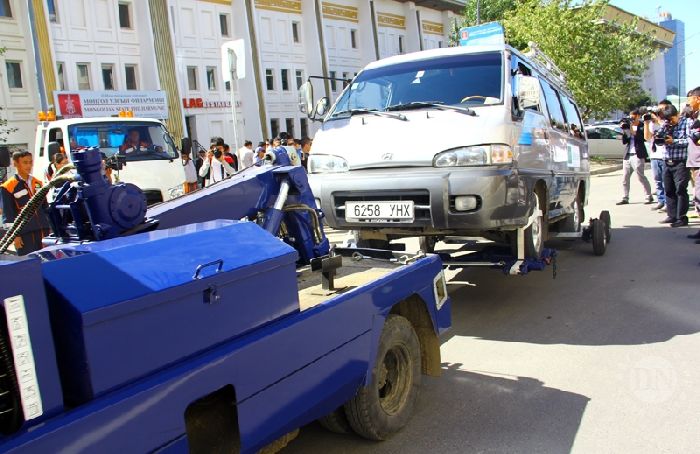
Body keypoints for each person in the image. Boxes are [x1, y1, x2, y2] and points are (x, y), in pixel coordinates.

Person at [1, 151, 50, 255]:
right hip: (25, 234)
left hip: (43, 230)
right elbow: (8, 214)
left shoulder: (37, 183)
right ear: (15, 163)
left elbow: (45, 206)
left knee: (47, 259)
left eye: (30, 162)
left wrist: (50, 226)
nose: (29, 166)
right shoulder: (8, 187)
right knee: (30, 261)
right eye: (25, 162)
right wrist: (15, 236)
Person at [657, 104, 691, 227]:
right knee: (668, 189)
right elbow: (658, 137)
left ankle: (681, 217)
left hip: (680, 161)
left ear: (677, 115)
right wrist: (659, 136)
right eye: (667, 120)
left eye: (671, 119)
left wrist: (674, 141)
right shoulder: (666, 124)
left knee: (680, 190)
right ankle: (671, 215)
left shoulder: (686, 123)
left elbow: (689, 141)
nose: (670, 122)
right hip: (667, 160)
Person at [617, 108, 653, 205]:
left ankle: (648, 196)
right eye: (630, 118)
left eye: (633, 118)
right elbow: (624, 141)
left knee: (640, 177)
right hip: (628, 155)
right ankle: (625, 197)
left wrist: (632, 129)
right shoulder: (628, 126)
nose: (632, 120)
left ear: (638, 116)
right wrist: (625, 131)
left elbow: (642, 138)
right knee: (625, 177)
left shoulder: (642, 126)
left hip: (638, 155)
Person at [644, 100, 672, 211]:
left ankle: (668, 202)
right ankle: (661, 201)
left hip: (665, 155)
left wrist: (659, 120)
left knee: (666, 181)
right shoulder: (652, 123)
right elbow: (647, 137)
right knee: (657, 180)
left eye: (662, 109)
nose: (660, 111)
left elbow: (667, 132)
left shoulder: (668, 121)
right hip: (654, 154)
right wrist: (646, 123)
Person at [685, 87, 700, 241]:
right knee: (697, 197)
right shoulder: (695, 116)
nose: (688, 102)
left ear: (698, 99)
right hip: (695, 162)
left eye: (690, 99)